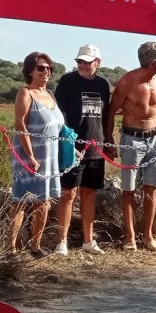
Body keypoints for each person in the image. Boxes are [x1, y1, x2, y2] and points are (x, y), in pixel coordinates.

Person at [106, 41, 156, 252]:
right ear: (152, 62)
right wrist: (108, 139)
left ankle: (148, 235)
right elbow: (112, 111)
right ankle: (130, 236)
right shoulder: (127, 82)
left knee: (151, 187)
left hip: (154, 138)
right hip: (132, 139)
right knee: (129, 189)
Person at [53, 44, 112, 256]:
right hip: (72, 145)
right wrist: (66, 144)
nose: (84, 65)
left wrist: (107, 141)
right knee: (69, 193)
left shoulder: (103, 84)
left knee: (89, 193)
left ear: (98, 62)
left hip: (96, 146)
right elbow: (61, 115)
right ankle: (62, 241)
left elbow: (106, 117)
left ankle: (88, 240)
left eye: (88, 61)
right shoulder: (68, 81)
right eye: (80, 61)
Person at [9, 52, 64, 257]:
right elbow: (20, 125)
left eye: (49, 67)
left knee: (44, 201)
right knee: (21, 202)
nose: (46, 71)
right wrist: (30, 156)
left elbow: (59, 127)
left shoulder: (50, 94)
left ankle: (35, 245)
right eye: (41, 67)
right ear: (30, 70)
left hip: (50, 157)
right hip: (28, 156)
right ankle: (11, 248)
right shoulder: (25, 93)